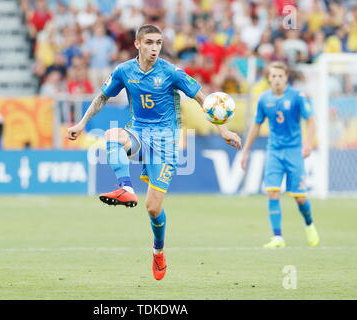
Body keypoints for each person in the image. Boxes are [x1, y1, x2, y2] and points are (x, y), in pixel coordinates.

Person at [67, 24, 241, 281]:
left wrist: (223, 130)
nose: (154, 48)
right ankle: (125, 187)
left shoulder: (171, 72)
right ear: (137, 44)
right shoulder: (125, 71)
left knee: (152, 208)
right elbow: (102, 97)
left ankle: (158, 251)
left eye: (158, 43)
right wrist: (82, 123)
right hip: (138, 133)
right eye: (149, 42)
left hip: (165, 143)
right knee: (111, 135)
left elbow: (204, 99)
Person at [241, 61, 320, 248]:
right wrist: (245, 151)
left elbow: (311, 121)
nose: (276, 80)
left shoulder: (297, 97)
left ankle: (309, 225)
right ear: (269, 78)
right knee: (272, 192)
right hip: (274, 151)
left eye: (280, 76)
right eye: (273, 76)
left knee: (300, 197)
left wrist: (308, 144)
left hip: (294, 151)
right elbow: (256, 126)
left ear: (286, 78)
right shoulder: (263, 99)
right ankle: (277, 237)